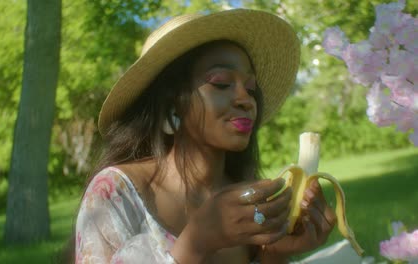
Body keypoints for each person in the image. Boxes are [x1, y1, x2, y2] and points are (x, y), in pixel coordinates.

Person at [74, 8, 337, 264]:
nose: (246, 100)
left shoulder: (253, 203)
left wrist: (276, 254)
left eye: (250, 88)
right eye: (222, 83)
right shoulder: (116, 193)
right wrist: (196, 242)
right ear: (171, 103)